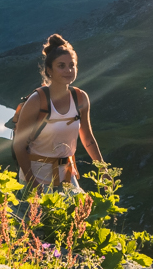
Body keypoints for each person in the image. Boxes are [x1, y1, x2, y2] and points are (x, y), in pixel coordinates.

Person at [12, 33, 103, 192]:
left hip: (67, 177)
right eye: (61, 66)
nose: (68, 70)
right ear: (49, 70)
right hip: (36, 178)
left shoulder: (80, 98)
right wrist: (33, 184)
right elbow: (19, 146)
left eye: (72, 65)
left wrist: (104, 170)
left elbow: (87, 138)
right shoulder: (37, 101)